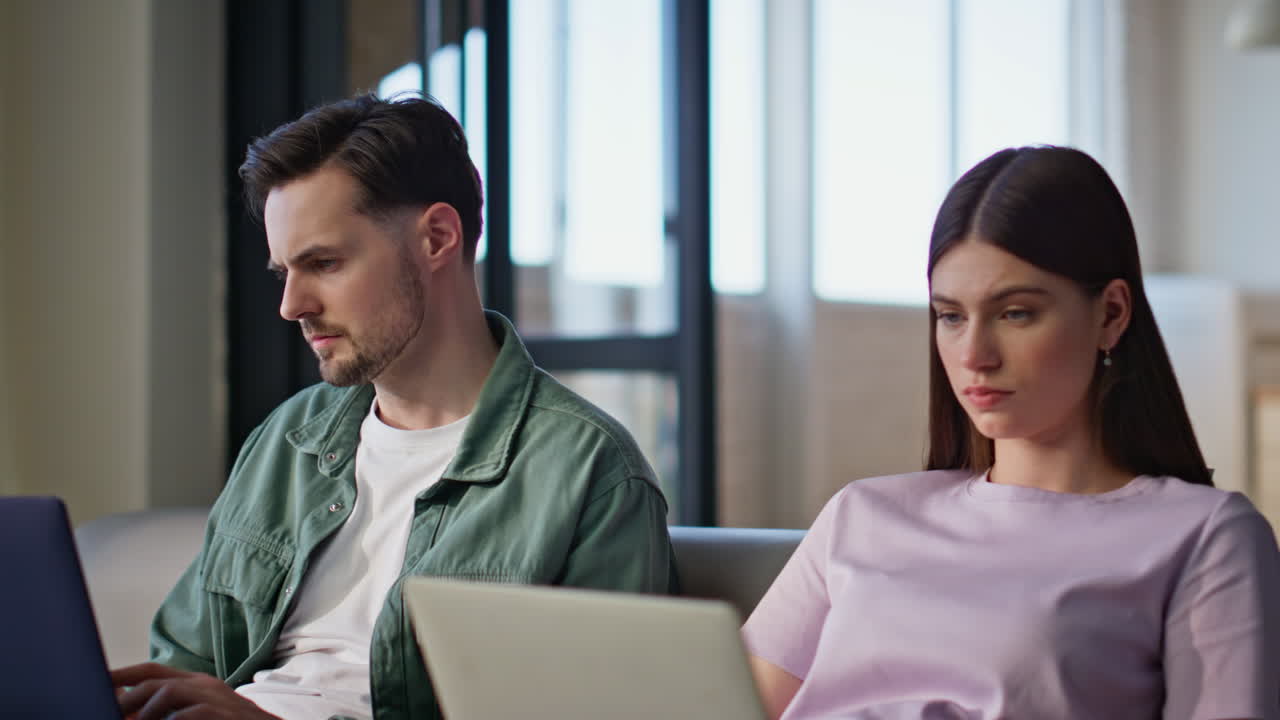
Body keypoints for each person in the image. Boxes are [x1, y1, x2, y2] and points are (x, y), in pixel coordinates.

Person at [110, 93, 679, 720]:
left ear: (437, 237)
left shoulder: (588, 472)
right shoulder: (286, 439)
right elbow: (185, 661)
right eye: (283, 274)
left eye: (323, 263)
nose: (291, 305)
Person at [744, 146, 1280, 719]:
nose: (974, 354)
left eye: (1015, 312)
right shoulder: (860, 514)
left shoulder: (1204, 537)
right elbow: (717, 705)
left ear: (1112, 314)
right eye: (951, 316)